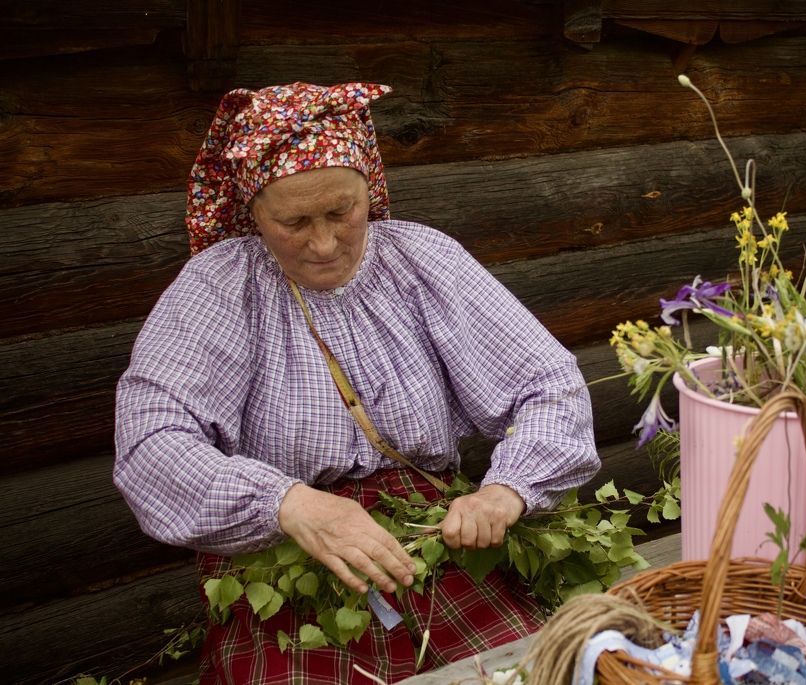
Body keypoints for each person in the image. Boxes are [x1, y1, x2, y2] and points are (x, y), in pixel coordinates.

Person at [113, 82, 600, 684]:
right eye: (293, 221)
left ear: (370, 187)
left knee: (524, 673)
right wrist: (286, 504)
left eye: (341, 212)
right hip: (283, 561)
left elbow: (547, 383)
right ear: (253, 212)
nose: (323, 243)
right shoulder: (218, 287)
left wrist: (506, 490)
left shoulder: (421, 260)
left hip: (431, 540)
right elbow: (151, 442)